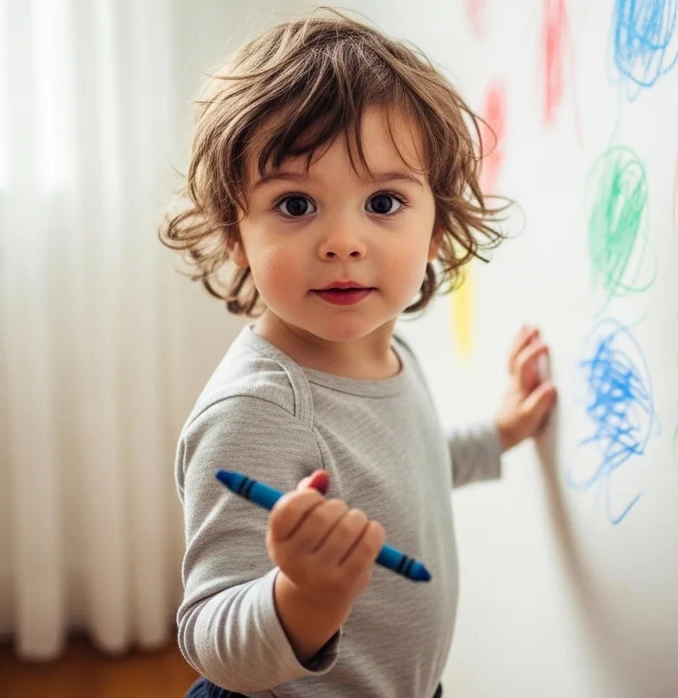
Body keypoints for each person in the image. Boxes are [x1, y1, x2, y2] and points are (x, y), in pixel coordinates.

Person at [159, 8, 558, 697]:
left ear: (437, 226)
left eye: (382, 203)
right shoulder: (257, 410)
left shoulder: (390, 351)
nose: (342, 242)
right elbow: (209, 638)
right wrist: (303, 600)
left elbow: (402, 468)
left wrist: (499, 433)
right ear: (234, 233)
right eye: (294, 205)